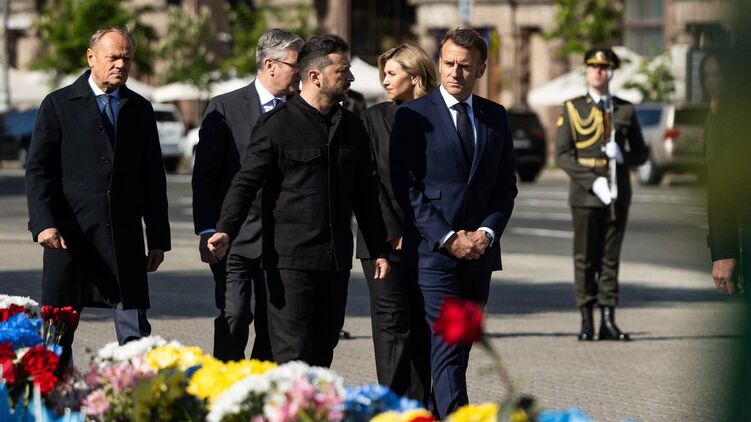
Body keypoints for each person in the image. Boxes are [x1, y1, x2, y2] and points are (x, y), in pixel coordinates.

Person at [207, 35, 390, 368]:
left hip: (334, 263)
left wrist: (378, 247)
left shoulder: (352, 128)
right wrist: (225, 229)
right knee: (291, 356)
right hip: (289, 264)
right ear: (315, 76)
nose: (350, 78)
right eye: (343, 71)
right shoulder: (276, 125)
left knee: (323, 352)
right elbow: (246, 182)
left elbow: (366, 194)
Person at [390, 28, 518, 418]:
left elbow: (505, 187)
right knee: (447, 345)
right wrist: (448, 238)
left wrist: (486, 234)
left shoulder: (495, 116)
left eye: (465, 65)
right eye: (448, 63)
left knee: (460, 348)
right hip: (434, 254)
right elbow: (406, 187)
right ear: (439, 63)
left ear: (480, 69)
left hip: (479, 254)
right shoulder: (413, 115)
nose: (455, 72)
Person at [25, 27, 170, 365]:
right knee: (56, 338)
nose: (121, 64)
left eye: (127, 58)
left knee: (135, 342)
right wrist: (44, 224)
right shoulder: (58, 105)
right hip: (70, 240)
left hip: (124, 241)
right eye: (113, 57)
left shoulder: (140, 109)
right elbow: (38, 170)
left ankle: (133, 394)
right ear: (91, 57)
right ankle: (55, 396)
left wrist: (158, 239)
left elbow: (153, 179)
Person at [192, 28, 303, 362]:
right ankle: (225, 380)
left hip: (283, 240)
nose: (301, 72)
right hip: (233, 237)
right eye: (295, 65)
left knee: (273, 324)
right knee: (235, 314)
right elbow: (205, 176)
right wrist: (207, 229)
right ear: (270, 65)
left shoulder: (301, 110)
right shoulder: (226, 107)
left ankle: (257, 384)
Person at [356, 42, 438, 404]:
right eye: (383, 74)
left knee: (423, 327)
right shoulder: (373, 118)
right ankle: (391, 407)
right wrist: (392, 232)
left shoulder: (437, 117)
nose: (385, 81)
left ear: (415, 76)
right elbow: (368, 180)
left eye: (392, 73)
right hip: (382, 243)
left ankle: (419, 408)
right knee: (392, 327)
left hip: (430, 241)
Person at [554, 48, 648, 342]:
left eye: (604, 67)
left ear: (611, 72)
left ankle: (608, 319)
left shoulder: (625, 110)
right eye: (593, 66)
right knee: (585, 258)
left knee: (610, 258)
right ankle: (586, 319)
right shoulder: (573, 108)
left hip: (617, 194)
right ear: (587, 70)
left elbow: (641, 153)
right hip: (585, 194)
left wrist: (622, 156)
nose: (598, 72)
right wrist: (592, 182)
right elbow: (562, 155)